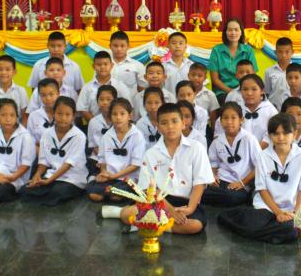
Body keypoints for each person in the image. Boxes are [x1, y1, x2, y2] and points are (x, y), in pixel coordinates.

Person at [107, 103, 215, 235]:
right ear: (158, 127)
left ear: (183, 124)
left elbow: (200, 183)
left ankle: (146, 224)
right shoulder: (151, 153)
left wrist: (190, 209)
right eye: (164, 123)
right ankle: (155, 223)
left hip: (187, 202)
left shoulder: (197, 148)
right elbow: (149, 188)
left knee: (194, 226)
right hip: (159, 201)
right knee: (128, 214)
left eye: (174, 121)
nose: (170, 126)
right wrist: (170, 211)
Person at [217, 114, 301, 244]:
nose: (281, 138)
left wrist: (296, 213)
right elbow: (262, 189)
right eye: (276, 134)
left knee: (292, 230)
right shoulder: (263, 156)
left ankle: (265, 230)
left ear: (294, 134)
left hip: (292, 208)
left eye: (286, 133)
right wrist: (278, 213)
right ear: (270, 135)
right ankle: (270, 231)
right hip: (266, 206)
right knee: (265, 226)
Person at [20, 97, 88, 205]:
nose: (63, 118)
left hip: (72, 177)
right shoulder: (47, 134)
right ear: (53, 114)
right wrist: (37, 175)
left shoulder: (79, 136)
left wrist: (49, 181)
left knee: (58, 191)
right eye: (59, 114)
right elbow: (43, 160)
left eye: (67, 114)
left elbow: (68, 164)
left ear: (73, 116)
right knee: (24, 190)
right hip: (52, 174)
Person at [88, 98, 145, 203]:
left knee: (115, 196)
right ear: (110, 117)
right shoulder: (107, 136)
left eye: (122, 114)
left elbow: (135, 165)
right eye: (114, 114)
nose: (118, 117)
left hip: (128, 178)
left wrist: (113, 176)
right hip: (109, 176)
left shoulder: (137, 136)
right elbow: (102, 160)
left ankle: (112, 190)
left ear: (130, 116)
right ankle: (97, 182)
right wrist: (104, 173)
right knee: (94, 195)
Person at [203, 101, 260, 207]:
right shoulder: (217, 141)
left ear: (241, 120)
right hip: (221, 181)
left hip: (241, 183)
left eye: (233, 118)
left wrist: (242, 183)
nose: (229, 122)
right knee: (199, 190)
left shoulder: (249, 139)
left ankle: (221, 199)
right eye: (225, 118)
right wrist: (213, 176)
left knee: (233, 197)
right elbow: (213, 163)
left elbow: (259, 165)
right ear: (220, 121)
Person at [209, 18, 258, 104]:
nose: (233, 33)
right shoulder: (216, 50)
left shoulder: (248, 50)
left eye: (236, 30)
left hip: (245, 90)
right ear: (225, 32)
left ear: (241, 32)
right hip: (223, 92)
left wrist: (244, 91)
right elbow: (215, 79)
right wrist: (232, 93)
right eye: (230, 30)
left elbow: (253, 75)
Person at [77, 50, 132, 122]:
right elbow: (82, 109)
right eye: (99, 64)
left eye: (106, 64)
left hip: (117, 124)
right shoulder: (87, 87)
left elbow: (127, 107)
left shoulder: (120, 86)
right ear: (93, 66)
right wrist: (96, 123)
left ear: (112, 65)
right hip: (93, 125)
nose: (102, 67)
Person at [236, 74, 277, 148]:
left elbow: (271, 134)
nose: (249, 93)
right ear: (240, 91)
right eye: (245, 89)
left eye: (254, 89)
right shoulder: (236, 109)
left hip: (265, 152)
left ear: (262, 91)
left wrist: (256, 150)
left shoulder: (271, 110)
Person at [86, 85, 118, 178]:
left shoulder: (119, 121)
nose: (105, 102)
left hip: (117, 157)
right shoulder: (93, 122)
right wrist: (102, 160)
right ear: (97, 101)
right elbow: (93, 146)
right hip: (98, 157)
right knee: (91, 166)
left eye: (109, 99)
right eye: (101, 99)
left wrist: (109, 161)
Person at [0, 55, 29, 125]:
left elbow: (25, 115)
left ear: (14, 72)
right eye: (0, 69)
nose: (3, 73)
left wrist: (21, 130)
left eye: (7, 69)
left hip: (16, 129)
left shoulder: (21, 91)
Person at [26, 78, 59, 146]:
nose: (48, 98)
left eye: (51, 94)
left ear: (58, 94)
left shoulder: (64, 114)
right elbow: (30, 140)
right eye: (43, 95)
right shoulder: (33, 116)